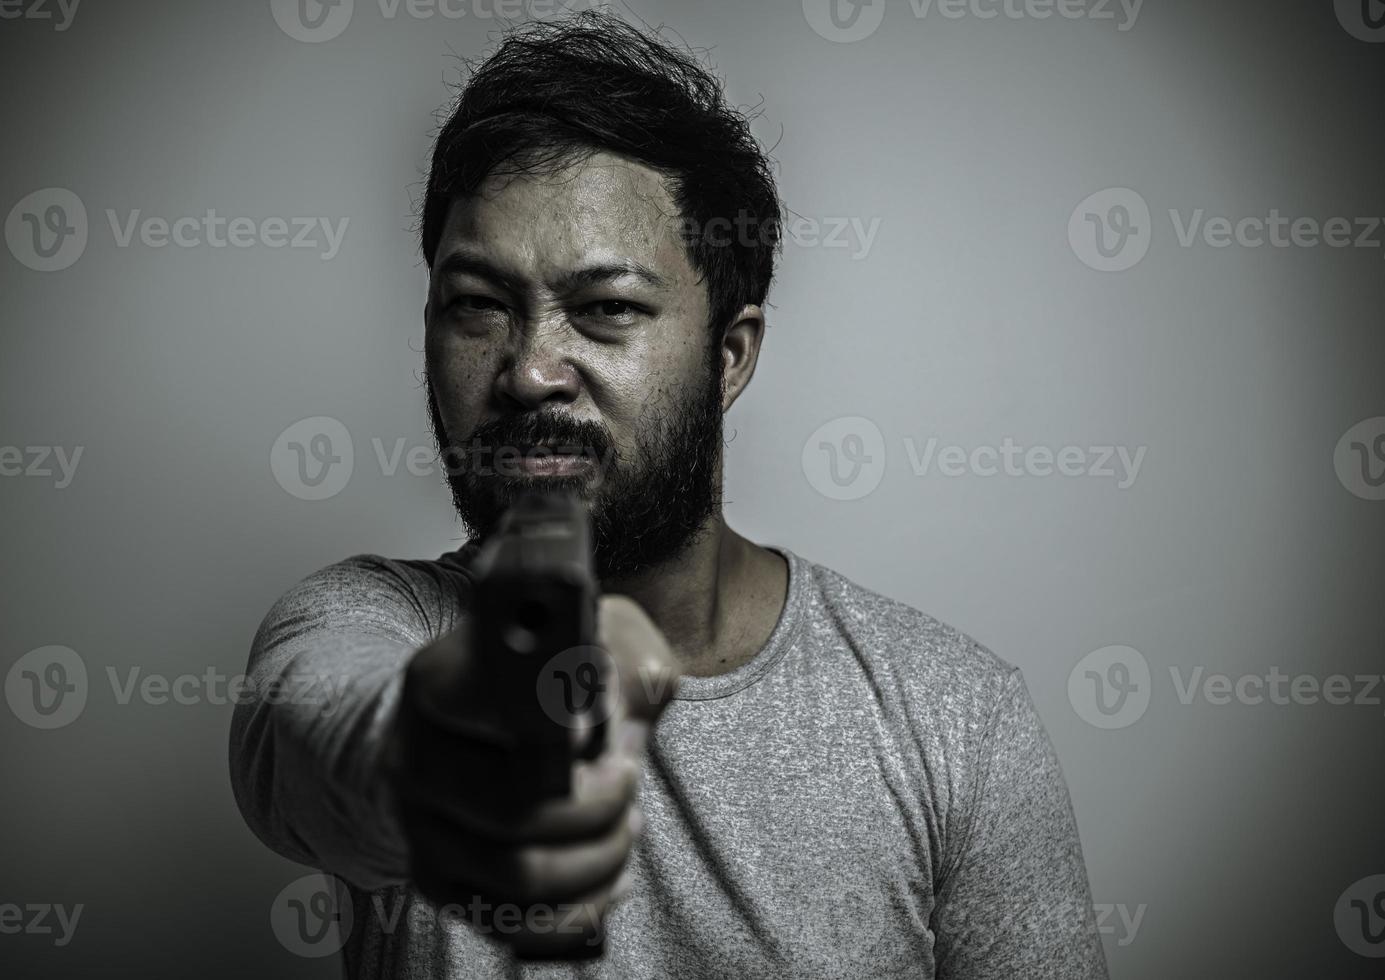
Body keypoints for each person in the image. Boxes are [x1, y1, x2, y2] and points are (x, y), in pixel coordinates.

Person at [229, 11, 1109, 978]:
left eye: (606, 309)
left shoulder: (951, 718)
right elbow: (313, 736)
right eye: (477, 304)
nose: (527, 373)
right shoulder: (373, 620)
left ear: (727, 358)